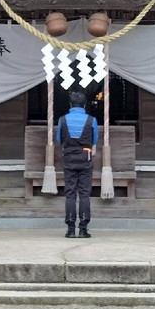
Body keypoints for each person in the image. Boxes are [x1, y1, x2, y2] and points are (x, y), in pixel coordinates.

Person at [55, 90, 99, 238]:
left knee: (70, 194)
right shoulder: (91, 120)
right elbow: (94, 140)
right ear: (85, 105)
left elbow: (59, 140)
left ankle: (70, 229)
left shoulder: (62, 120)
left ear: (70, 104)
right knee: (85, 194)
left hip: (68, 158)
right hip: (85, 158)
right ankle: (83, 228)